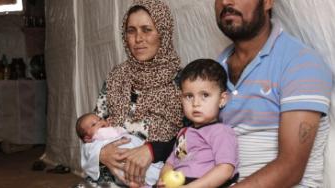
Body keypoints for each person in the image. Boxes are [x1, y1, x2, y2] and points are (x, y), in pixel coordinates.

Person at [214, 0, 333, 187]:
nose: (225, 2)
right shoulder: (215, 67)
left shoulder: (300, 63)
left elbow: (290, 169)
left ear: (268, 2)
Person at [93, 0, 184, 186]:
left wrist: (153, 150)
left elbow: (196, 142)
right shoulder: (116, 78)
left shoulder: (184, 82)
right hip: (107, 179)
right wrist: (100, 153)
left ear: (163, 33)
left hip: (157, 181)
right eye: (131, 30)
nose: (138, 38)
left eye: (147, 29)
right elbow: (92, 128)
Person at [157, 59, 239, 188]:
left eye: (205, 95)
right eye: (189, 96)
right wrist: (164, 180)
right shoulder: (184, 133)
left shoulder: (221, 132)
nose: (196, 103)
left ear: (222, 99)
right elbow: (172, 163)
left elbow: (225, 170)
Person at [76, 113, 163, 186]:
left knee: (155, 168)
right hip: (124, 165)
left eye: (100, 119)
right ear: (87, 138)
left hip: (142, 152)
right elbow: (87, 151)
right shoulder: (93, 142)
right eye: (94, 124)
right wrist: (99, 152)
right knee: (141, 173)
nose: (100, 122)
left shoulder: (114, 130)